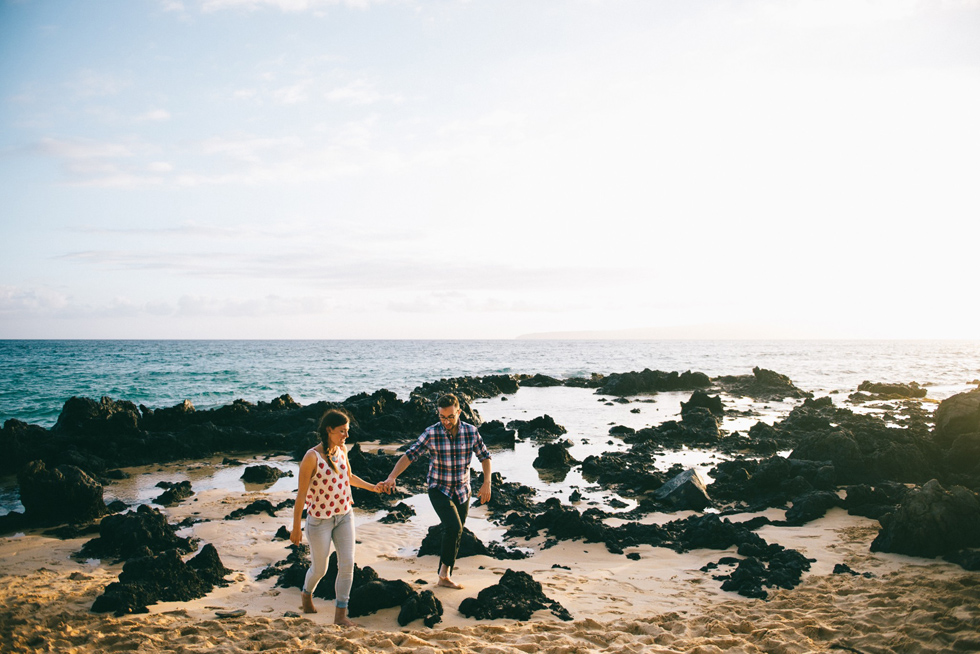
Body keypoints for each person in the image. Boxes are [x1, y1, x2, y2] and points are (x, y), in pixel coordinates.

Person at [381, 393, 491, 589]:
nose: (446, 421)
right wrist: (392, 476)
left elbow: (484, 457)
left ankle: (444, 575)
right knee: (454, 527)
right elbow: (410, 455)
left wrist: (486, 483)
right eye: (442, 417)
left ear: (458, 412)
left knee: (456, 532)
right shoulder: (432, 433)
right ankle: (444, 574)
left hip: (463, 490)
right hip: (438, 488)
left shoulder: (471, 432)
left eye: (450, 416)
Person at [290, 408, 382, 625]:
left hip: (344, 516)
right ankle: (306, 593)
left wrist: (373, 488)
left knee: (347, 564)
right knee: (320, 569)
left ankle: (340, 615)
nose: (346, 436)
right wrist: (296, 528)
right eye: (342, 431)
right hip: (319, 521)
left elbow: (348, 477)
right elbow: (301, 496)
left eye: (347, 431)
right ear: (329, 430)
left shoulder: (342, 450)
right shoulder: (311, 457)